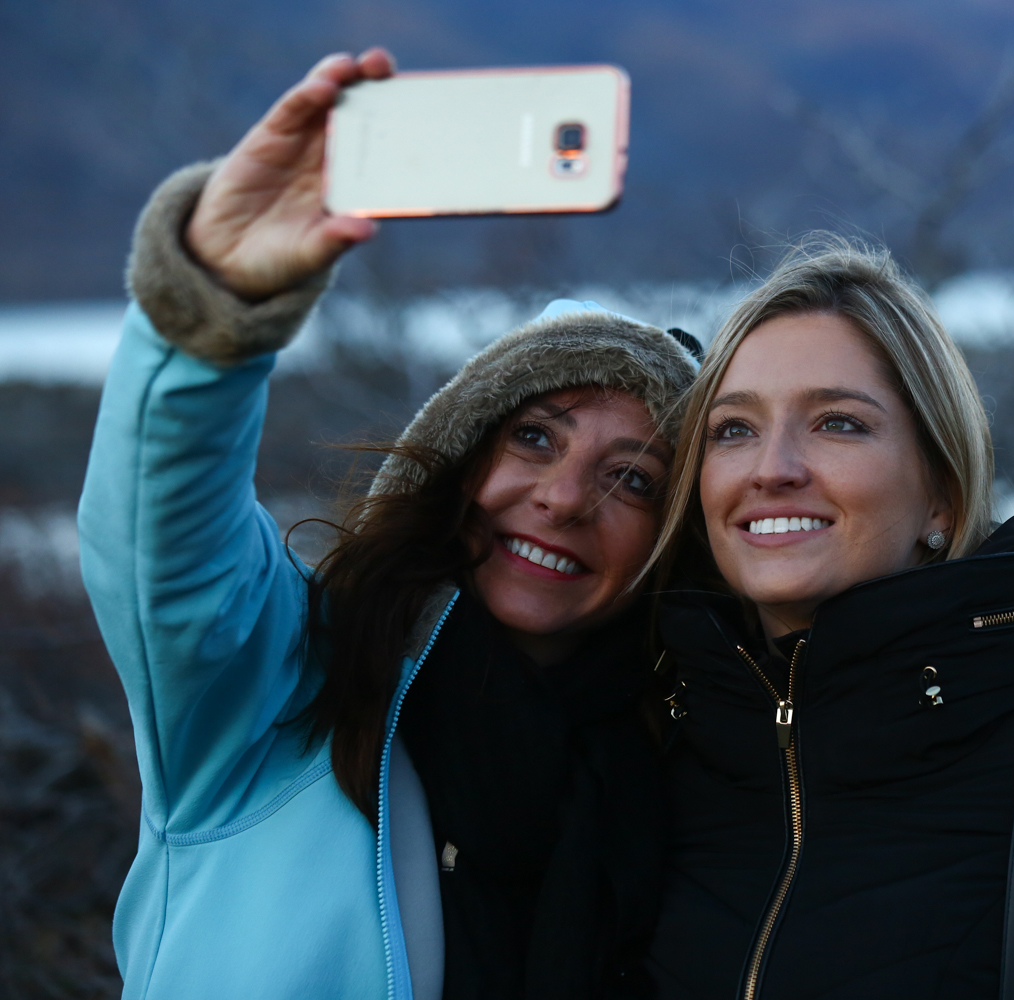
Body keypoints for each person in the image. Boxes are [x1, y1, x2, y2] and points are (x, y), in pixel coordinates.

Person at [78, 49, 699, 1000]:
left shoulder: (693, 772)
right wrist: (212, 314)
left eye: (633, 479)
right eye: (534, 437)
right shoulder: (279, 684)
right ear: (461, 458)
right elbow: (162, 546)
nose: (566, 498)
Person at [643, 237, 1014, 998]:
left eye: (837, 423)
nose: (773, 468)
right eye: (734, 429)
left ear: (943, 497)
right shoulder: (654, 758)